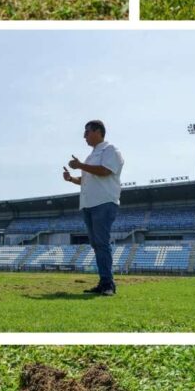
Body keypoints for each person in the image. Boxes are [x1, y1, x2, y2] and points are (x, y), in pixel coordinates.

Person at [63, 120, 124, 296]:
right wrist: (71, 179)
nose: (84, 136)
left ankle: (108, 284)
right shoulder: (91, 156)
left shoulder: (110, 150)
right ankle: (103, 281)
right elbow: (87, 179)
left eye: (87, 132)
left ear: (98, 131)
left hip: (103, 202)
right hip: (89, 204)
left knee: (102, 243)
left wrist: (80, 165)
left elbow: (105, 171)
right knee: (97, 244)